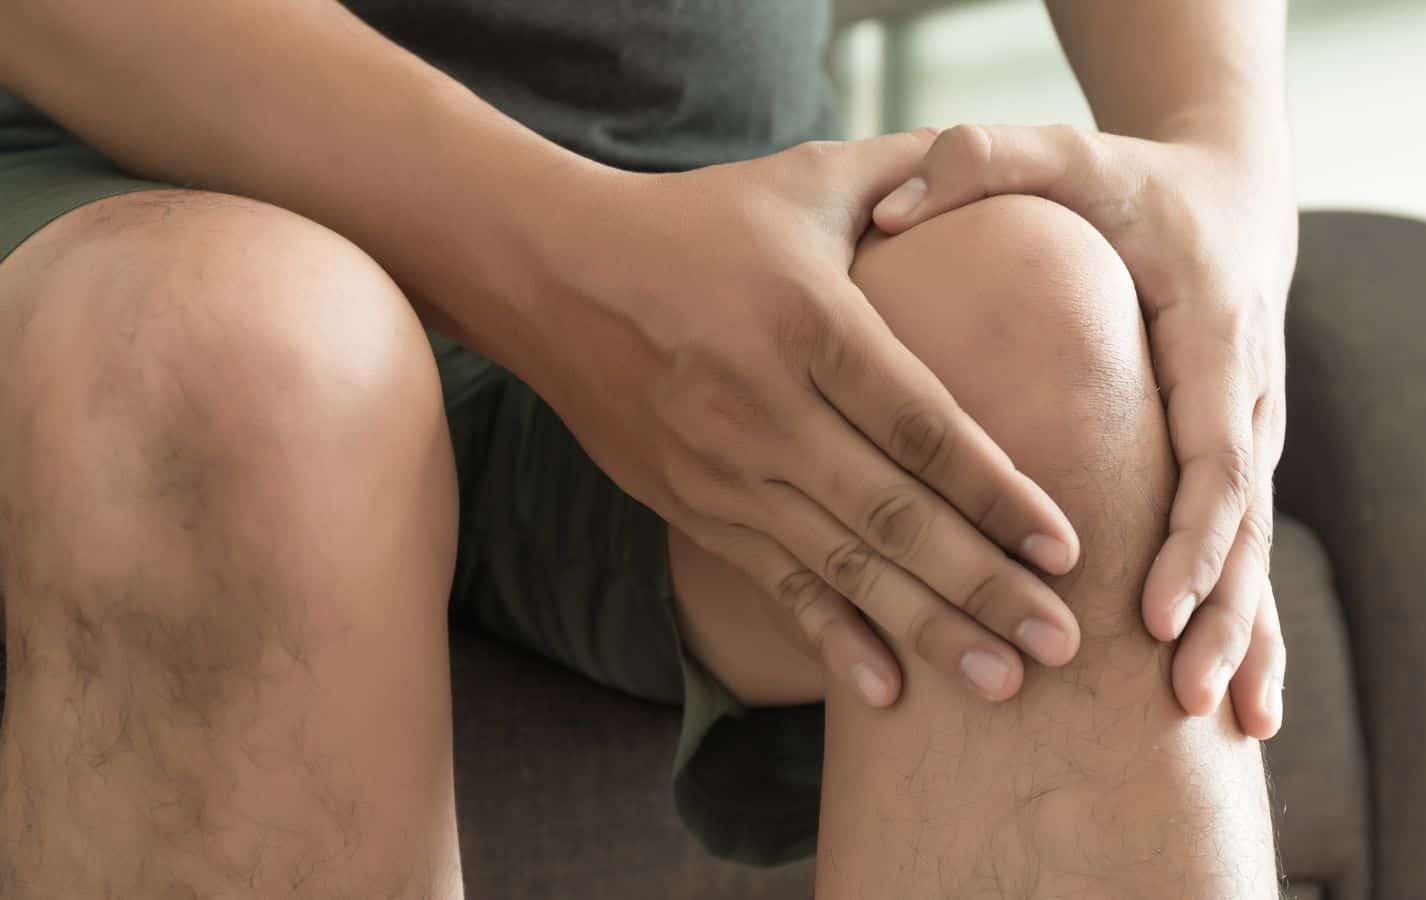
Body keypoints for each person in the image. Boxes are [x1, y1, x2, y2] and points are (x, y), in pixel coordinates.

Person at [0, 1, 1296, 896]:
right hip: (99, 180)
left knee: (1050, 346)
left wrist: (1224, 163)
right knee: (217, 364)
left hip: (716, 201)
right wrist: (558, 256)